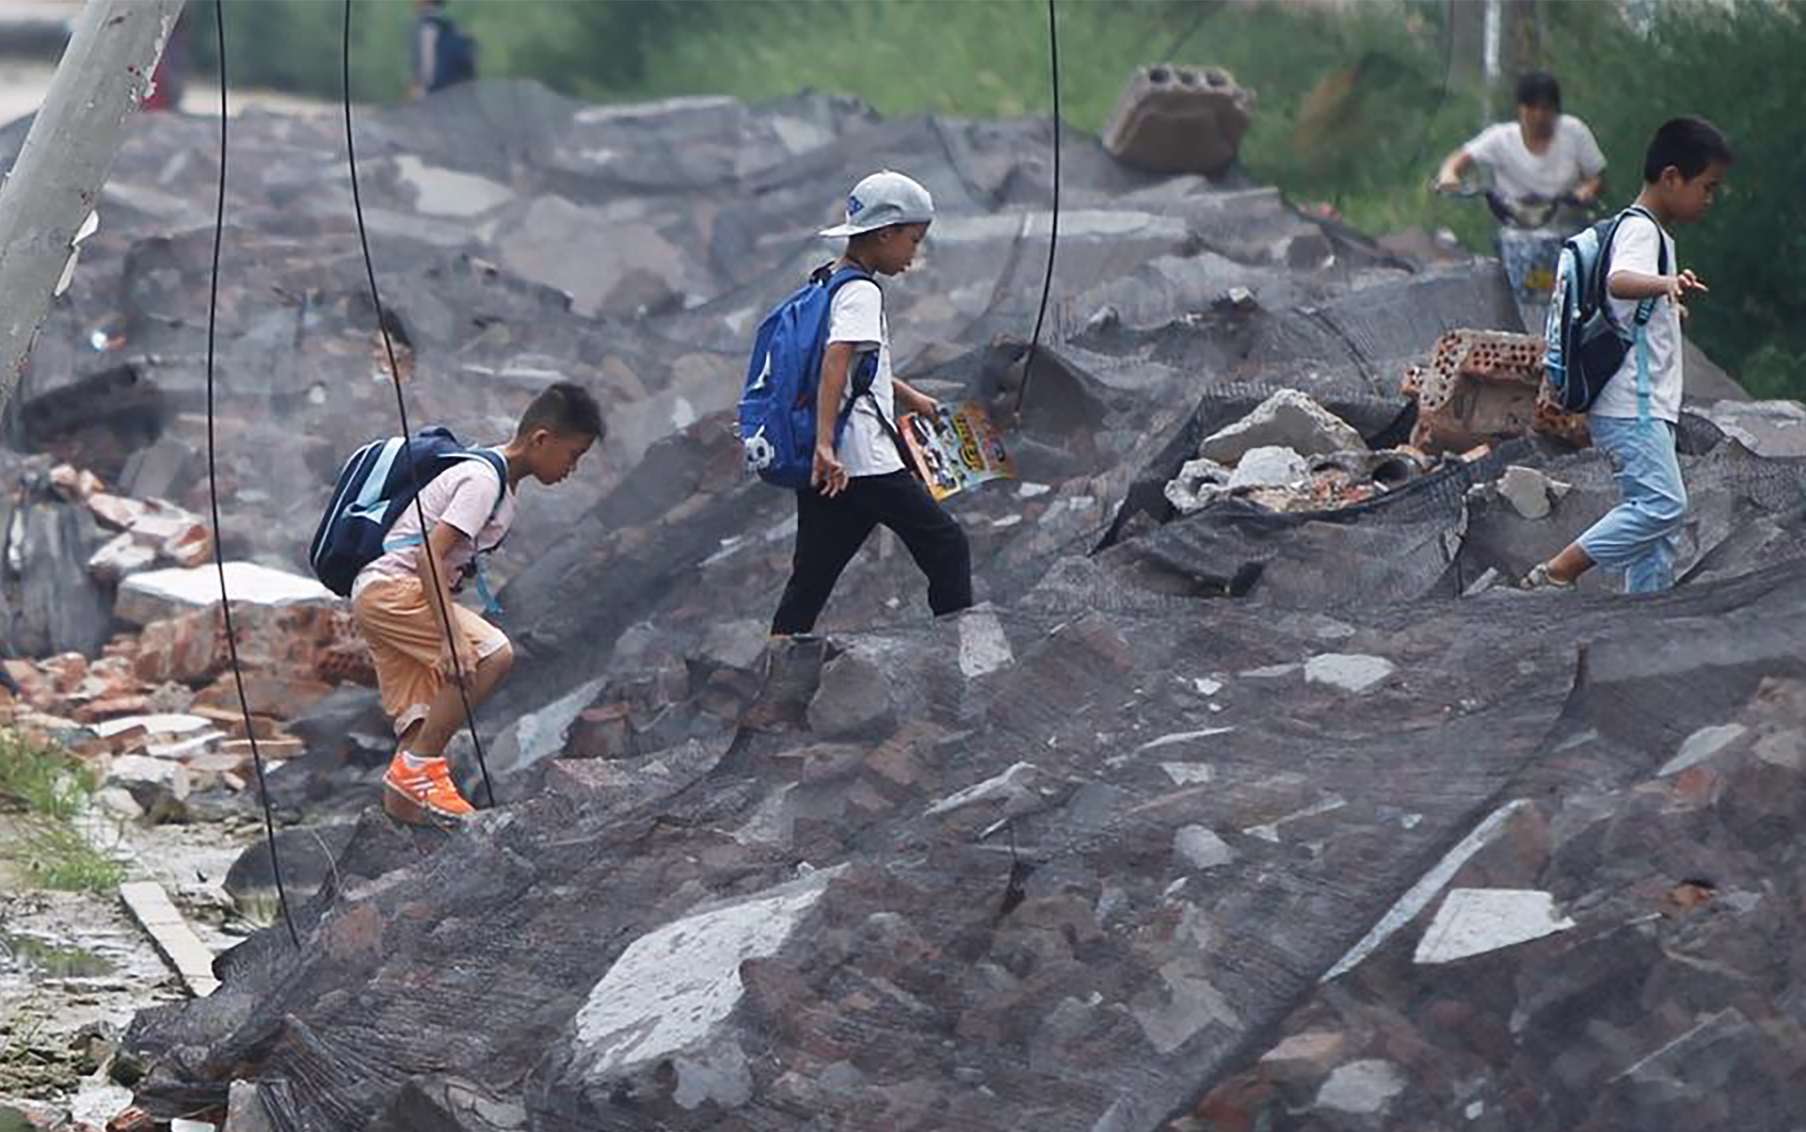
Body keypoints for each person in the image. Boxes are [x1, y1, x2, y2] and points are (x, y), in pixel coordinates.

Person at [352, 383, 603, 824]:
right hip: (395, 589)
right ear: (541, 439)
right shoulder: (483, 481)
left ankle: (403, 829)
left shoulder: (496, 482)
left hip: (378, 593)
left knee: (419, 721)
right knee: (491, 654)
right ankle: (420, 770)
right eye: (573, 454)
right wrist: (451, 638)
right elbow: (427, 555)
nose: (573, 468)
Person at [1522, 117, 1734, 595]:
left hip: (1644, 403)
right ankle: (1558, 571)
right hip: (1631, 403)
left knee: (1657, 533)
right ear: (1672, 177)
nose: (1709, 198)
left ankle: (1643, 613)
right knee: (1663, 505)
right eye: (1707, 186)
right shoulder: (1642, 230)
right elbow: (1620, 280)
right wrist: (1666, 284)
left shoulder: (1643, 230)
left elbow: (1625, 303)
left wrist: (1667, 306)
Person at [769, 170, 973, 636]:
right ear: (885, 233)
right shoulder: (862, 291)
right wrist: (825, 444)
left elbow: (856, 362)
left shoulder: (828, 280)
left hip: (834, 468)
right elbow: (835, 361)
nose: (913, 254)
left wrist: (908, 394)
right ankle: (959, 654)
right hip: (861, 460)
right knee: (947, 546)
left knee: (811, 580)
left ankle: (776, 674)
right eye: (913, 240)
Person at [1436, 72, 1606, 207]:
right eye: (1531, 108)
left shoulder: (1574, 132)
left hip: (1568, 231)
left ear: (1556, 110)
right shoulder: (1501, 138)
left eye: (1545, 108)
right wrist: (1449, 176)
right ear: (1519, 109)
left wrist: (1587, 191)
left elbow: (1597, 176)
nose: (1539, 116)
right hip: (1514, 231)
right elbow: (1459, 159)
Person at [410, 0, 477, 100]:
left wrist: (419, 90)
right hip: (457, 95)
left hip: (435, 96)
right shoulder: (454, 27)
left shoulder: (427, 26)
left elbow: (427, 70)